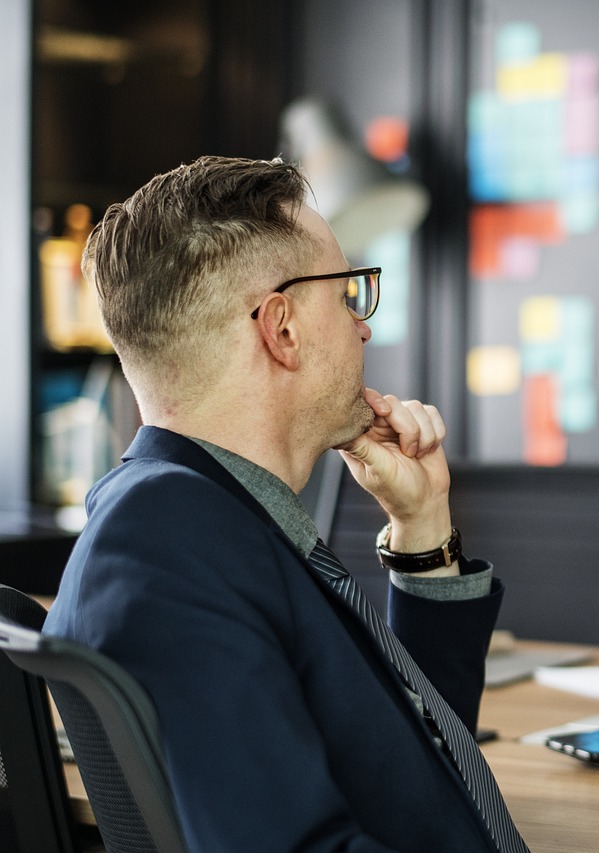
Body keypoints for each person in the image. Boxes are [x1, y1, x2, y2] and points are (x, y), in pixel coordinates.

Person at [43, 156, 529, 852]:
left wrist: (422, 528)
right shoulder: (169, 551)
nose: (363, 328)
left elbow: (413, 768)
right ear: (283, 328)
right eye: (347, 296)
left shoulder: (197, 516)